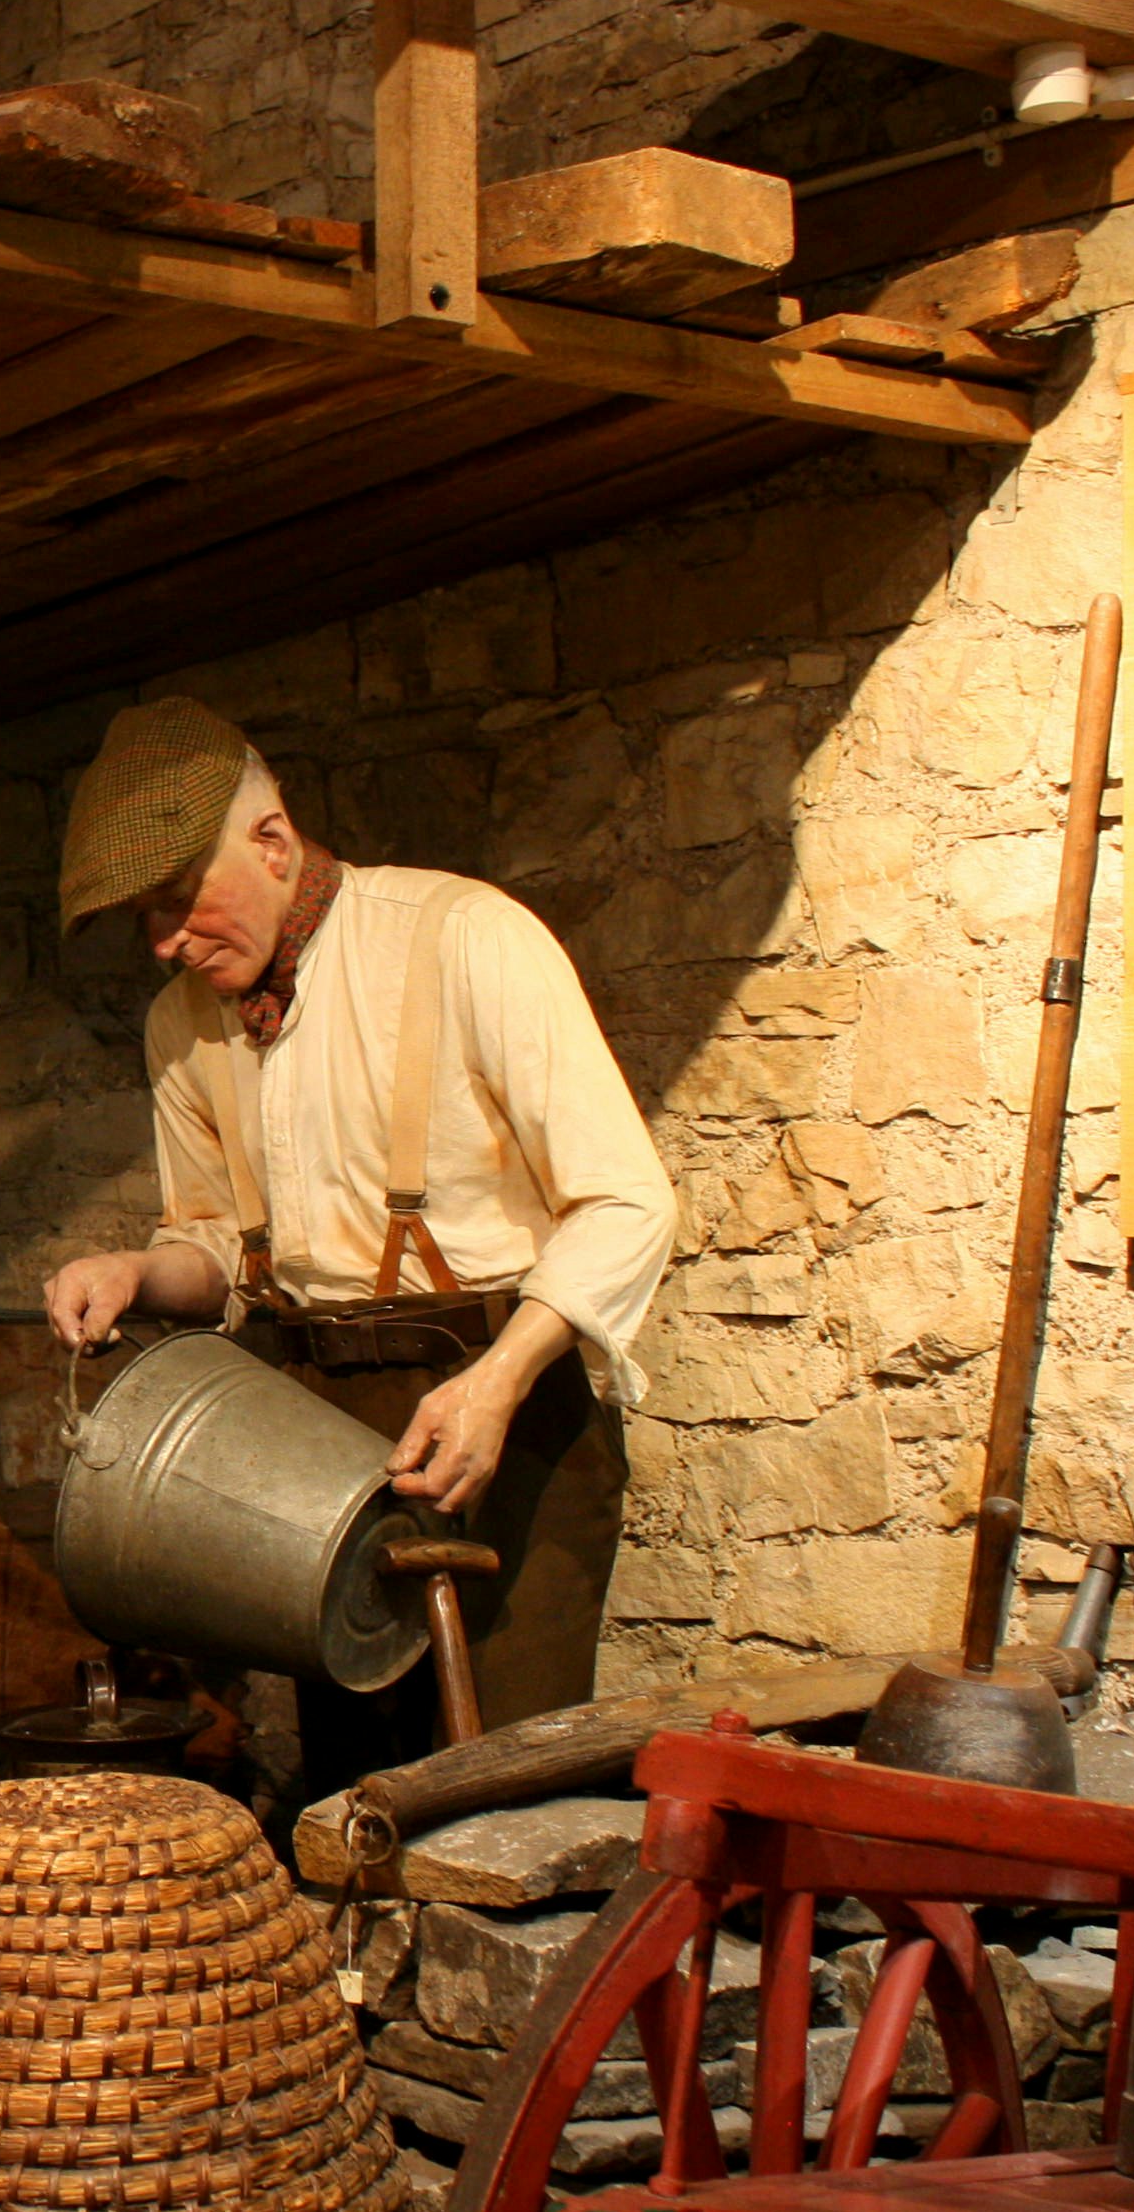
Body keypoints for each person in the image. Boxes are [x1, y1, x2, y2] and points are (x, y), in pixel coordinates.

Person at [38, 697, 674, 1774]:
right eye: (141, 922)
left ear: (273, 842)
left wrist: (503, 1376)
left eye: (176, 901)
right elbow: (221, 1258)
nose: (162, 944)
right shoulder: (181, 1027)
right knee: (359, 1794)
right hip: (315, 1441)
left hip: (499, 1411)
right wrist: (139, 1269)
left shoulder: (463, 938)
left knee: (509, 1789)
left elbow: (625, 1199)